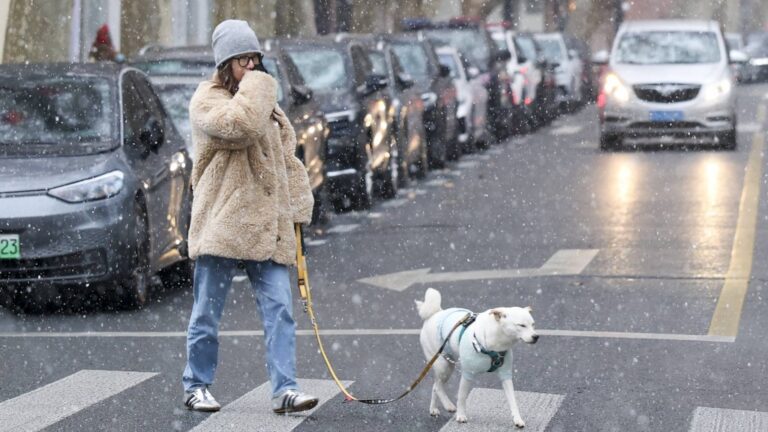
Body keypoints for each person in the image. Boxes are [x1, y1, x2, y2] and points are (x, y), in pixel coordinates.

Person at [182, 19, 317, 414]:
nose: (253, 68)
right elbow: (239, 126)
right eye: (244, 60)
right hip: (222, 221)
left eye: (256, 59)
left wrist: (294, 210)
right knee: (207, 309)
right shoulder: (207, 100)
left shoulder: (260, 101)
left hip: (266, 224)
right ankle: (196, 384)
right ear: (226, 64)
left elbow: (283, 161)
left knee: (280, 309)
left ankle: (285, 389)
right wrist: (259, 86)